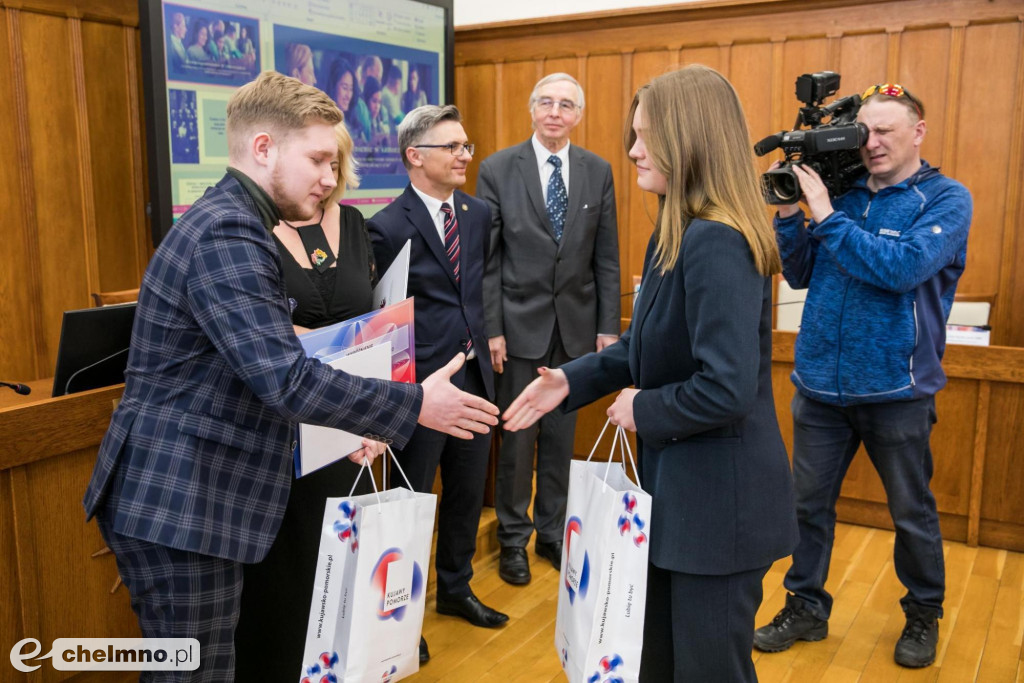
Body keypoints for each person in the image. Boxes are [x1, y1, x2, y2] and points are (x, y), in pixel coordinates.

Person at [81, 71, 499, 682]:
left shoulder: (236, 219)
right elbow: (286, 378)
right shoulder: (228, 229)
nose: (331, 179)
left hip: (200, 494)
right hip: (180, 501)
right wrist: (413, 405)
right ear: (263, 149)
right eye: (319, 161)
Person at [504, 65, 798, 681]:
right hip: (679, 500)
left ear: (688, 139)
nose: (633, 150)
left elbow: (726, 386)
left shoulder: (717, 239)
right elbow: (646, 343)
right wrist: (571, 380)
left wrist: (643, 408)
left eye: (645, 137)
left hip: (718, 511)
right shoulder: (677, 228)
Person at [753, 83, 973, 669]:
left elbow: (901, 269)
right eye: (864, 133)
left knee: (911, 513)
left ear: (918, 132)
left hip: (896, 390)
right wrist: (787, 214)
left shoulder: (945, 200)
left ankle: (923, 613)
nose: (871, 144)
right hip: (820, 385)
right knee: (807, 508)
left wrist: (823, 213)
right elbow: (799, 273)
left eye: (885, 132)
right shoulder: (843, 195)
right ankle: (805, 606)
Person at [233, 121, 378, 680]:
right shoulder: (247, 232)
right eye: (318, 162)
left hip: (349, 436)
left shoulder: (357, 225)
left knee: (338, 580)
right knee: (284, 593)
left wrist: (375, 416)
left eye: (335, 163)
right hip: (275, 436)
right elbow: (262, 348)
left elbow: (374, 323)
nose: (327, 177)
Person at [368, 105, 508, 663]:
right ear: (414, 156)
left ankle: (455, 589)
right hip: (420, 391)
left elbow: (478, 289)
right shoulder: (384, 226)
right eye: (452, 147)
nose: (464, 156)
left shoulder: (478, 214)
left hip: (472, 379)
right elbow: (382, 314)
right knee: (412, 499)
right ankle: (400, 613)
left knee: (468, 496)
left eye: (466, 146)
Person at [476, 72, 620, 585]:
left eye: (566, 104)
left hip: (577, 332)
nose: (555, 112)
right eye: (546, 102)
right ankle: (513, 539)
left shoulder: (597, 170)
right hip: (517, 328)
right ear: (531, 109)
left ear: (578, 115)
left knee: (560, 439)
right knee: (517, 438)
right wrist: (491, 327)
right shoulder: (496, 169)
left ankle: (551, 534)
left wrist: (607, 328)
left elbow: (606, 257)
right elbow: (487, 261)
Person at [327, 57, 363, 143]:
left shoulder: (352, 122)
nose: (348, 95)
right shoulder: (325, 124)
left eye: (351, 89)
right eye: (344, 88)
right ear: (333, 87)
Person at [361, 76, 390, 146]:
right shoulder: (362, 120)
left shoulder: (379, 119)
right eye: (374, 101)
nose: (377, 106)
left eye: (379, 102)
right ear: (366, 100)